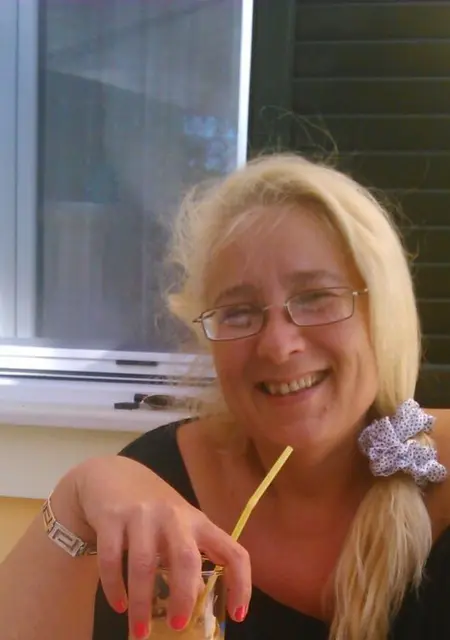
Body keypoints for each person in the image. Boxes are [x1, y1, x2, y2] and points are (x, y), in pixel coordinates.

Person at [1, 154, 450, 640]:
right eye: (238, 312)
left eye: (316, 298)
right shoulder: (158, 482)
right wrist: (77, 495)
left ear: (381, 313)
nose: (278, 346)